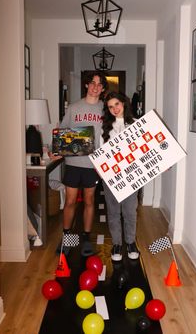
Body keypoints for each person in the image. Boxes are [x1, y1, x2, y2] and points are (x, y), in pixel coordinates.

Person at [57, 71, 108, 256]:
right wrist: (56, 150)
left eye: (99, 84)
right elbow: (62, 131)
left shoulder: (105, 109)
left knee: (89, 200)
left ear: (103, 89)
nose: (95, 87)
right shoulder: (74, 107)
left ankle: (86, 238)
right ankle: (67, 238)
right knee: (70, 201)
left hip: (93, 165)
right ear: (87, 85)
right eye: (92, 83)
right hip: (73, 162)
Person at [100, 91, 139, 261]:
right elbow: (101, 153)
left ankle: (130, 242)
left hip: (131, 177)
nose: (114, 109)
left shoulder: (137, 124)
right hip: (111, 178)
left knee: (130, 211)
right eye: (110, 107)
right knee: (114, 212)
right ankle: (116, 244)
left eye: (116, 104)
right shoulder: (104, 128)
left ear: (124, 103)